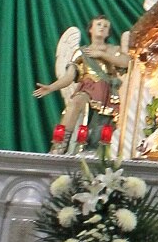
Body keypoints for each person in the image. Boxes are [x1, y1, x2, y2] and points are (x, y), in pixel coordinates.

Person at [33, 16, 129, 153]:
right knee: (75, 102)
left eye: (106, 26)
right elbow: (69, 77)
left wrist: (100, 54)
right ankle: (60, 145)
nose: (102, 27)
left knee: (100, 129)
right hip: (88, 87)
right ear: (90, 29)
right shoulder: (81, 52)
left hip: (106, 92)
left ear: (108, 33)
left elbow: (125, 62)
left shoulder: (113, 50)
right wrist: (51, 87)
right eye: (99, 24)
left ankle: (94, 150)